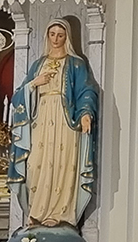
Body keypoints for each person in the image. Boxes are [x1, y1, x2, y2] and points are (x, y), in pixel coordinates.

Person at [8, 18, 98, 229]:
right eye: (52, 34)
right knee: (36, 164)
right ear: (47, 36)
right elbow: (17, 96)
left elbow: (86, 91)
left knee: (62, 164)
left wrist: (86, 113)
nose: (56, 39)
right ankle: (36, 212)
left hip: (65, 120)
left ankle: (60, 214)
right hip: (40, 118)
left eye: (60, 35)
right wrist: (34, 83)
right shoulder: (38, 64)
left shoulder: (76, 63)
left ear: (67, 37)